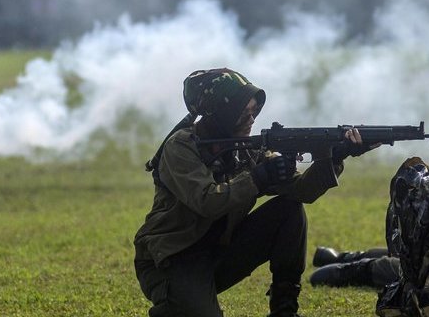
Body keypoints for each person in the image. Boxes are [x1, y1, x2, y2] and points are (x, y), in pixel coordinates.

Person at [133, 68, 373, 317]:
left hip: (217, 251)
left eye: (254, 111)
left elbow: (302, 190)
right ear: (220, 113)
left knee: (289, 210)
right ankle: (174, 305)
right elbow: (207, 201)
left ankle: (284, 310)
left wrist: (335, 156)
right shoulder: (181, 146)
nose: (251, 119)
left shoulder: (246, 149)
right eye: (243, 112)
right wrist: (258, 177)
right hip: (171, 261)